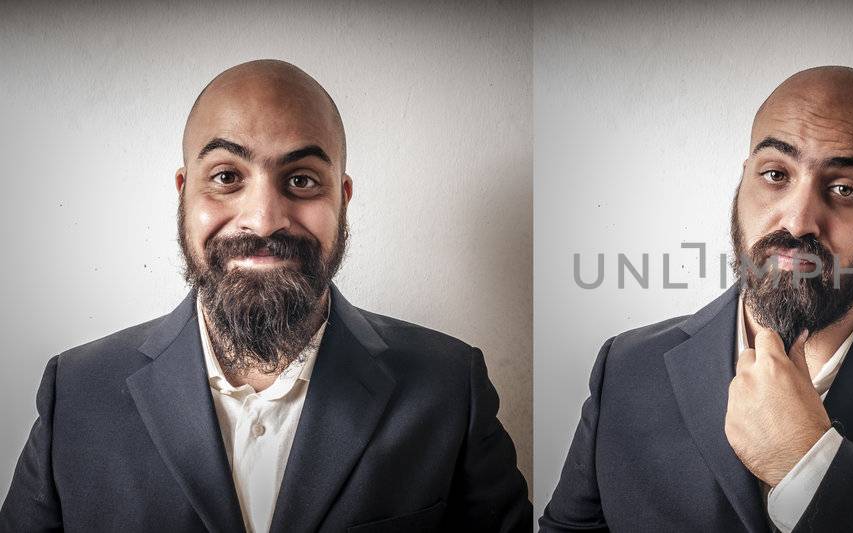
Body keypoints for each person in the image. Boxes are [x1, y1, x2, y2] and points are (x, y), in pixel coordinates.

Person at [0, 59, 533, 532]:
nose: (263, 219)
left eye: (301, 180)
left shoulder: (448, 386)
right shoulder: (74, 393)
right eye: (227, 176)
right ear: (185, 191)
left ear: (342, 198)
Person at [539, 66, 853, 532]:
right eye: (775, 175)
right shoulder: (626, 368)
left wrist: (807, 465)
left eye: (844, 189)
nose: (797, 220)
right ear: (744, 183)